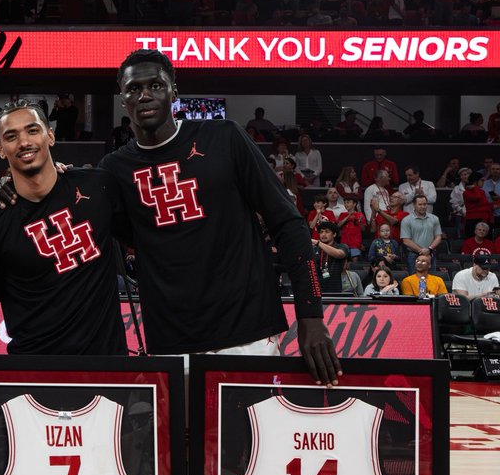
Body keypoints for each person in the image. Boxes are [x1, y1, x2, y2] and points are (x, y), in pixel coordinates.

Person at [99, 49, 337, 380]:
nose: (145, 95)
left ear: (174, 92)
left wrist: (311, 314)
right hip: (172, 340)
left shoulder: (224, 136)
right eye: (133, 89)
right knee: (184, 434)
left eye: (156, 85)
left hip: (248, 332)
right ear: (123, 101)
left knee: (251, 432)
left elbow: (288, 223)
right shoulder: (114, 169)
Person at [0, 100, 125, 357]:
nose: (24, 142)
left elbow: (146, 238)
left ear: (50, 135)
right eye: (11, 136)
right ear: (0, 149)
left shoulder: (98, 186)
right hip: (32, 370)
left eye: (32, 130)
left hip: (106, 364)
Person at [399, 194, 444, 271]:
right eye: (420, 204)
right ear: (414, 205)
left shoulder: (434, 218)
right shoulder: (406, 220)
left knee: (431, 280)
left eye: (425, 204)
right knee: (414, 280)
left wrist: (429, 250)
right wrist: (422, 251)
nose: (423, 206)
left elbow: (438, 237)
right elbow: (406, 241)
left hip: (430, 254)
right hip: (413, 255)